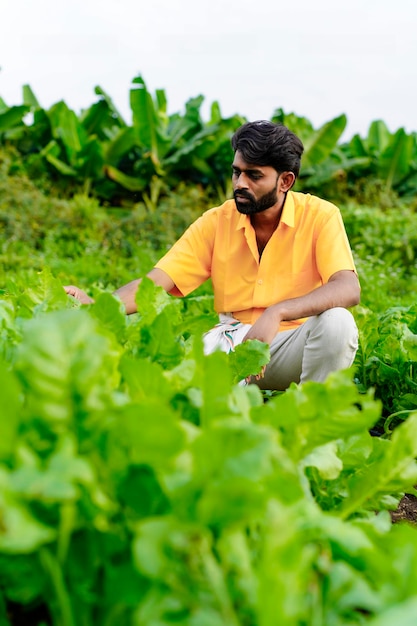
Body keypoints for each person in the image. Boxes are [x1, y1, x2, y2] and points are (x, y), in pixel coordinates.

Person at [65, 120, 360, 390]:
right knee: (163, 386)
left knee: (338, 322)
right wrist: (98, 306)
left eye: (254, 175)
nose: (240, 184)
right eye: (236, 172)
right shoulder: (217, 221)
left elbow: (347, 287)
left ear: (285, 182)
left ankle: (309, 424)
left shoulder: (320, 216)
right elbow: (155, 283)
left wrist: (278, 312)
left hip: (289, 348)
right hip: (229, 349)